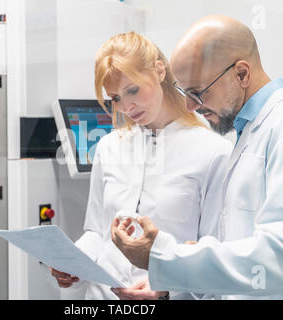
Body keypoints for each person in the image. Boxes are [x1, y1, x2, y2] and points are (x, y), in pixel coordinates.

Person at [111, 15, 283, 300]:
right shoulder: (250, 133)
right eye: (183, 91)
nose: (190, 106)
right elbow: (243, 257)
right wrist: (173, 284)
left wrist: (166, 256)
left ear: (241, 74)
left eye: (197, 92)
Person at [50, 31, 233, 300]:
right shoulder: (109, 147)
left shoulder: (213, 152)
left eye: (132, 90)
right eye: (115, 99)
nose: (126, 106)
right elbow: (96, 232)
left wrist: (166, 291)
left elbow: (215, 253)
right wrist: (73, 263)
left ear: (160, 71)